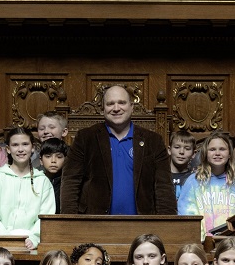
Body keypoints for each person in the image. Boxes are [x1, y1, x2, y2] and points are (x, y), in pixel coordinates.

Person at [60, 84, 176, 215]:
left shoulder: (153, 141)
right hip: (94, 223)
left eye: (121, 103)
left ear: (131, 107)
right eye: (110, 104)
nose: (116, 108)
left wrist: (168, 226)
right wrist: (68, 221)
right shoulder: (85, 138)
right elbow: (71, 181)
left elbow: (164, 187)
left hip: (143, 226)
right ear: (103, 108)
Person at [0, 126, 55, 251]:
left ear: (32, 147)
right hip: (1, 245)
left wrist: (34, 238)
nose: (21, 149)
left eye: (25, 144)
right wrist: (6, 240)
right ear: (8, 149)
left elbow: (46, 215)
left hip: (32, 245)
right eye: (15, 145)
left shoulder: (42, 181)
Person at [177, 130, 235, 235]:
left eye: (222, 149)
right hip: (201, 243)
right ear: (205, 154)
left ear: (229, 154)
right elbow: (186, 217)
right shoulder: (193, 182)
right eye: (212, 149)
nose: (217, 153)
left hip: (232, 242)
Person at [39, 137, 69, 213]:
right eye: (48, 156)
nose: (53, 161)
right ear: (41, 160)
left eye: (59, 157)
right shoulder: (37, 180)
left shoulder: (69, 183)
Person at [168, 129, 196, 200]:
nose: (181, 152)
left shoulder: (196, 178)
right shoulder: (160, 176)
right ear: (169, 150)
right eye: (177, 147)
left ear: (193, 154)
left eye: (187, 148)